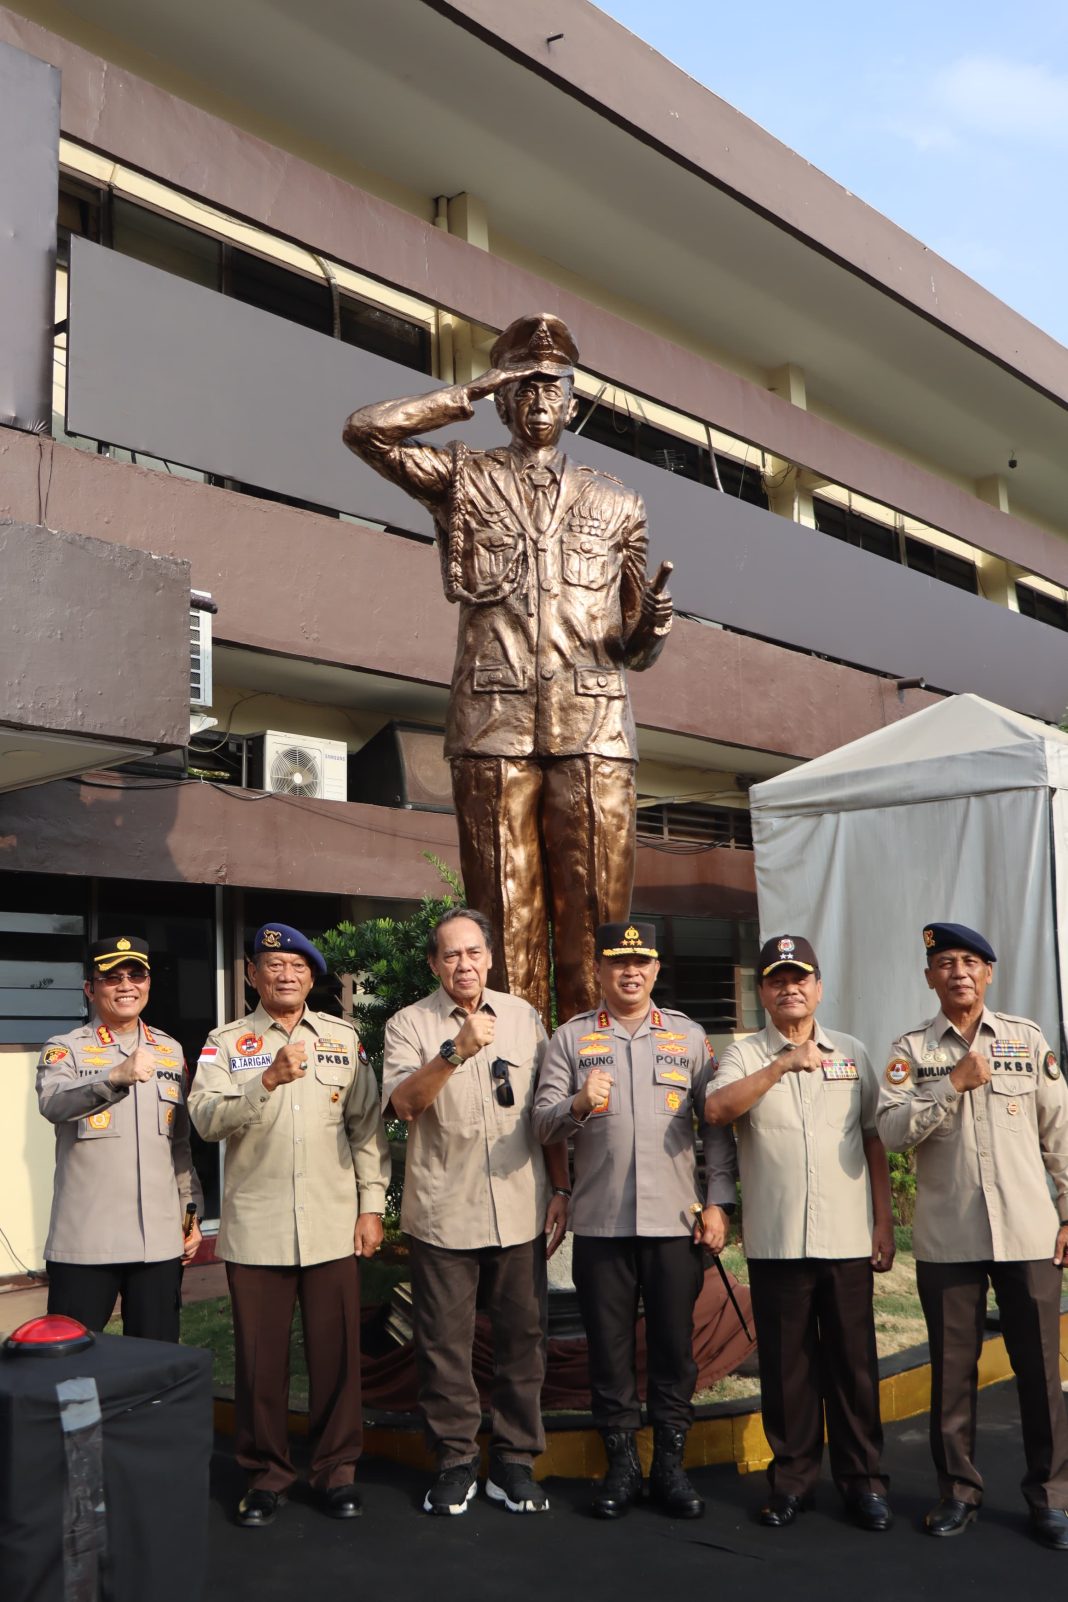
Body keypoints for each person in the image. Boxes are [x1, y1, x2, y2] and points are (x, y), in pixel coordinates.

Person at [343, 314, 673, 1027]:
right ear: (502, 397)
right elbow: (366, 430)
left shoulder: (619, 502)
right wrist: (466, 388)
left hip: (594, 725)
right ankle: (515, 1069)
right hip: (494, 721)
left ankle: (596, 1074)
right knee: (503, 914)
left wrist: (650, 631)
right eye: (521, 383)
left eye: (552, 383)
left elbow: (633, 645)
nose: (538, 396)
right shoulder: (464, 477)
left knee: (597, 920)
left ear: (575, 400)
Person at [532, 920, 736, 1520]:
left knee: (675, 1350)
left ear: (654, 971)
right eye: (618, 962)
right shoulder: (569, 1040)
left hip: (677, 1224)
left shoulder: (689, 1037)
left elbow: (717, 1126)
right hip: (601, 1224)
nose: (630, 972)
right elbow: (541, 1125)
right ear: (600, 970)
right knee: (609, 1350)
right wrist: (576, 1102)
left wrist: (719, 1200)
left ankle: (670, 1467)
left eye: (641, 963)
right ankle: (622, 1467)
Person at [188, 923, 389, 1528]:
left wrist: (372, 1205)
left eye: (297, 966)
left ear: (311, 977)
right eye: (272, 964)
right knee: (260, 1361)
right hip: (258, 1227)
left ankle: (337, 1471)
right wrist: (265, 1079)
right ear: (251, 974)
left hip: (331, 1224)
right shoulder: (226, 1044)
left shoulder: (342, 1038)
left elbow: (366, 1127)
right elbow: (203, 1119)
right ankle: (266, 1474)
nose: (285, 974)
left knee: (336, 1356)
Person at [878, 922, 1068, 1549]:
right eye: (945, 963)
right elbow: (892, 1132)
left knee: (1040, 1373)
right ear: (929, 976)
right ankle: (958, 1492)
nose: (958, 972)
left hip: (1028, 1235)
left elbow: (1059, 1136)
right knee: (952, 1373)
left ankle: (1052, 1495)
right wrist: (950, 1086)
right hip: (949, 1238)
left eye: (970, 961)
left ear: (989, 973)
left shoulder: (1026, 1039)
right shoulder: (911, 1050)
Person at [382, 907, 570, 1516]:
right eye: (450, 955)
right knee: (444, 1344)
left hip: (518, 1206)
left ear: (489, 958)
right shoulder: (409, 1025)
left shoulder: (523, 1018)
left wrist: (561, 1188)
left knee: (523, 1339)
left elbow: (546, 1112)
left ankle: (514, 1462)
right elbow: (404, 1105)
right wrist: (454, 1052)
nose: (463, 964)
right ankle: (456, 1462)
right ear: (435, 964)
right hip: (443, 1211)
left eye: (473, 953)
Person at [705, 935, 894, 1531]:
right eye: (776, 978)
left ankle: (863, 1482)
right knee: (787, 1371)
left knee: (854, 1366)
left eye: (800, 977)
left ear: (818, 987)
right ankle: (792, 1482)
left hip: (844, 1240)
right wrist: (782, 1063)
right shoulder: (741, 1055)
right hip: (778, 1240)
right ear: (762, 991)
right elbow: (716, 1111)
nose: (789, 987)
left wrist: (882, 1220)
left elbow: (872, 1137)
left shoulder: (854, 1053)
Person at [36, 935, 203, 1340]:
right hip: (87, 1241)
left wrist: (191, 1212)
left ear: (148, 983)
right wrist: (113, 1078)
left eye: (136, 974)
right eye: (112, 977)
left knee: (156, 1361)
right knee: (70, 1369)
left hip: (158, 1242)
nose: (126, 985)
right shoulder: (66, 1050)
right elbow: (53, 1104)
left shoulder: (169, 1049)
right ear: (90, 989)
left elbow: (178, 1144)